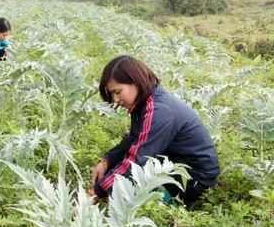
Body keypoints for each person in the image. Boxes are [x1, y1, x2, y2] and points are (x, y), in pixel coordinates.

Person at [90, 55, 220, 204]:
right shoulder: (145, 102)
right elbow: (133, 140)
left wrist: (96, 193)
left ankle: (168, 201)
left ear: (136, 82)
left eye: (118, 92)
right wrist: (106, 161)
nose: (116, 100)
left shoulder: (159, 111)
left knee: (140, 171)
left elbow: (138, 160)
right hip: (178, 162)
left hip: (193, 181)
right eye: (112, 94)